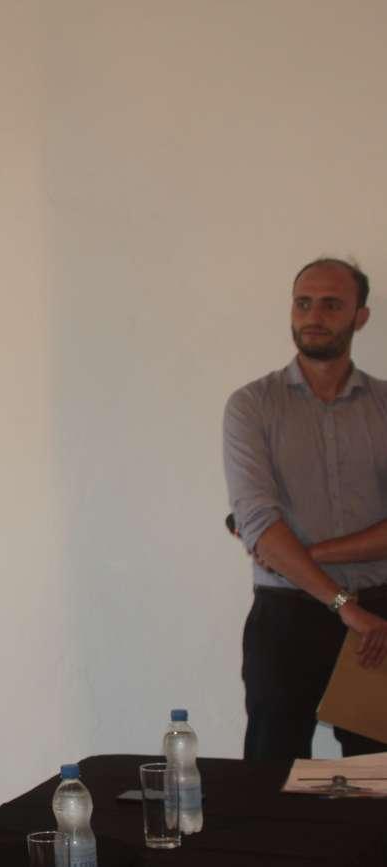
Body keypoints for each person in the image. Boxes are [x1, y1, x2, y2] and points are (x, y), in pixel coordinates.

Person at [223, 257, 387, 761]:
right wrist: (345, 607)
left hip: (378, 619)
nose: (314, 316)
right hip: (287, 619)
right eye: (303, 303)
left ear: (360, 316)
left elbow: (271, 543)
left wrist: (302, 554)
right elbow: (259, 523)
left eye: (332, 305)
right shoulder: (251, 406)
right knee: (271, 780)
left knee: (375, 778)